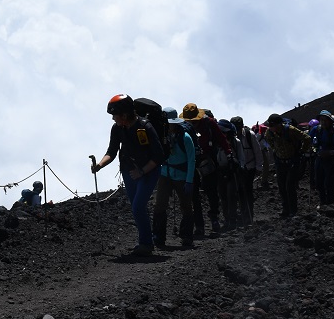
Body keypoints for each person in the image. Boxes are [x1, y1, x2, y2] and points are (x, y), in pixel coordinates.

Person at [92, 94, 165, 256]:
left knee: (138, 207)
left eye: (114, 116)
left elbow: (159, 156)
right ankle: (146, 241)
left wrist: (142, 171)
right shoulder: (118, 128)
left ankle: (146, 244)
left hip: (148, 172)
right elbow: (111, 151)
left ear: (124, 115)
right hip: (129, 171)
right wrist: (99, 165)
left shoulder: (145, 127)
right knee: (136, 208)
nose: (113, 119)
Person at [180, 103, 232, 236]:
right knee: (194, 194)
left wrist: (228, 153)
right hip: (192, 162)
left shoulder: (209, 124)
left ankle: (214, 219)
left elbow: (221, 138)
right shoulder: (183, 127)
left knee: (211, 192)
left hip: (209, 161)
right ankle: (199, 225)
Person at [152, 108, 196, 248]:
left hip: (181, 176)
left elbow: (191, 160)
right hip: (165, 173)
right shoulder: (162, 136)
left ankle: (187, 236)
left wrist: (189, 181)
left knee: (186, 206)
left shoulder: (185, 138)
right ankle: (158, 236)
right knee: (160, 204)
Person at [261, 113, 310, 218]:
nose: (270, 127)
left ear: (278, 124)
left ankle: (293, 210)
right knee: (282, 187)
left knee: (290, 186)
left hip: (293, 161)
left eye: (272, 125)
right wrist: (275, 149)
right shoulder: (269, 133)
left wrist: (302, 151)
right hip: (280, 162)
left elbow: (306, 138)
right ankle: (285, 209)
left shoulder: (290, 130)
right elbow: (269, 141)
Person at [231, 116, 263, 226]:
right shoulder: (232, 137)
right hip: (239, 168)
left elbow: (258, 152)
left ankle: (249, 216)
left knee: (248, 191)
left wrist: (259, 168)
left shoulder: (250, 135)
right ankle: (243, 214)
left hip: (250, 167)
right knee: (240, 192)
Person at [310, 110, 334, 206]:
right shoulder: (316, 130)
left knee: (329, 183)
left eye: (326, 120)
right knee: (319, 182)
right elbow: (310, 142)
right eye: (322, 120)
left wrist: (329, 153)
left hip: (331, 160)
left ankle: (330, 204)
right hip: (319, 158)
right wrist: (315, 151)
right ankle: (322, 203)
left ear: (330, 121)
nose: (323, 122)